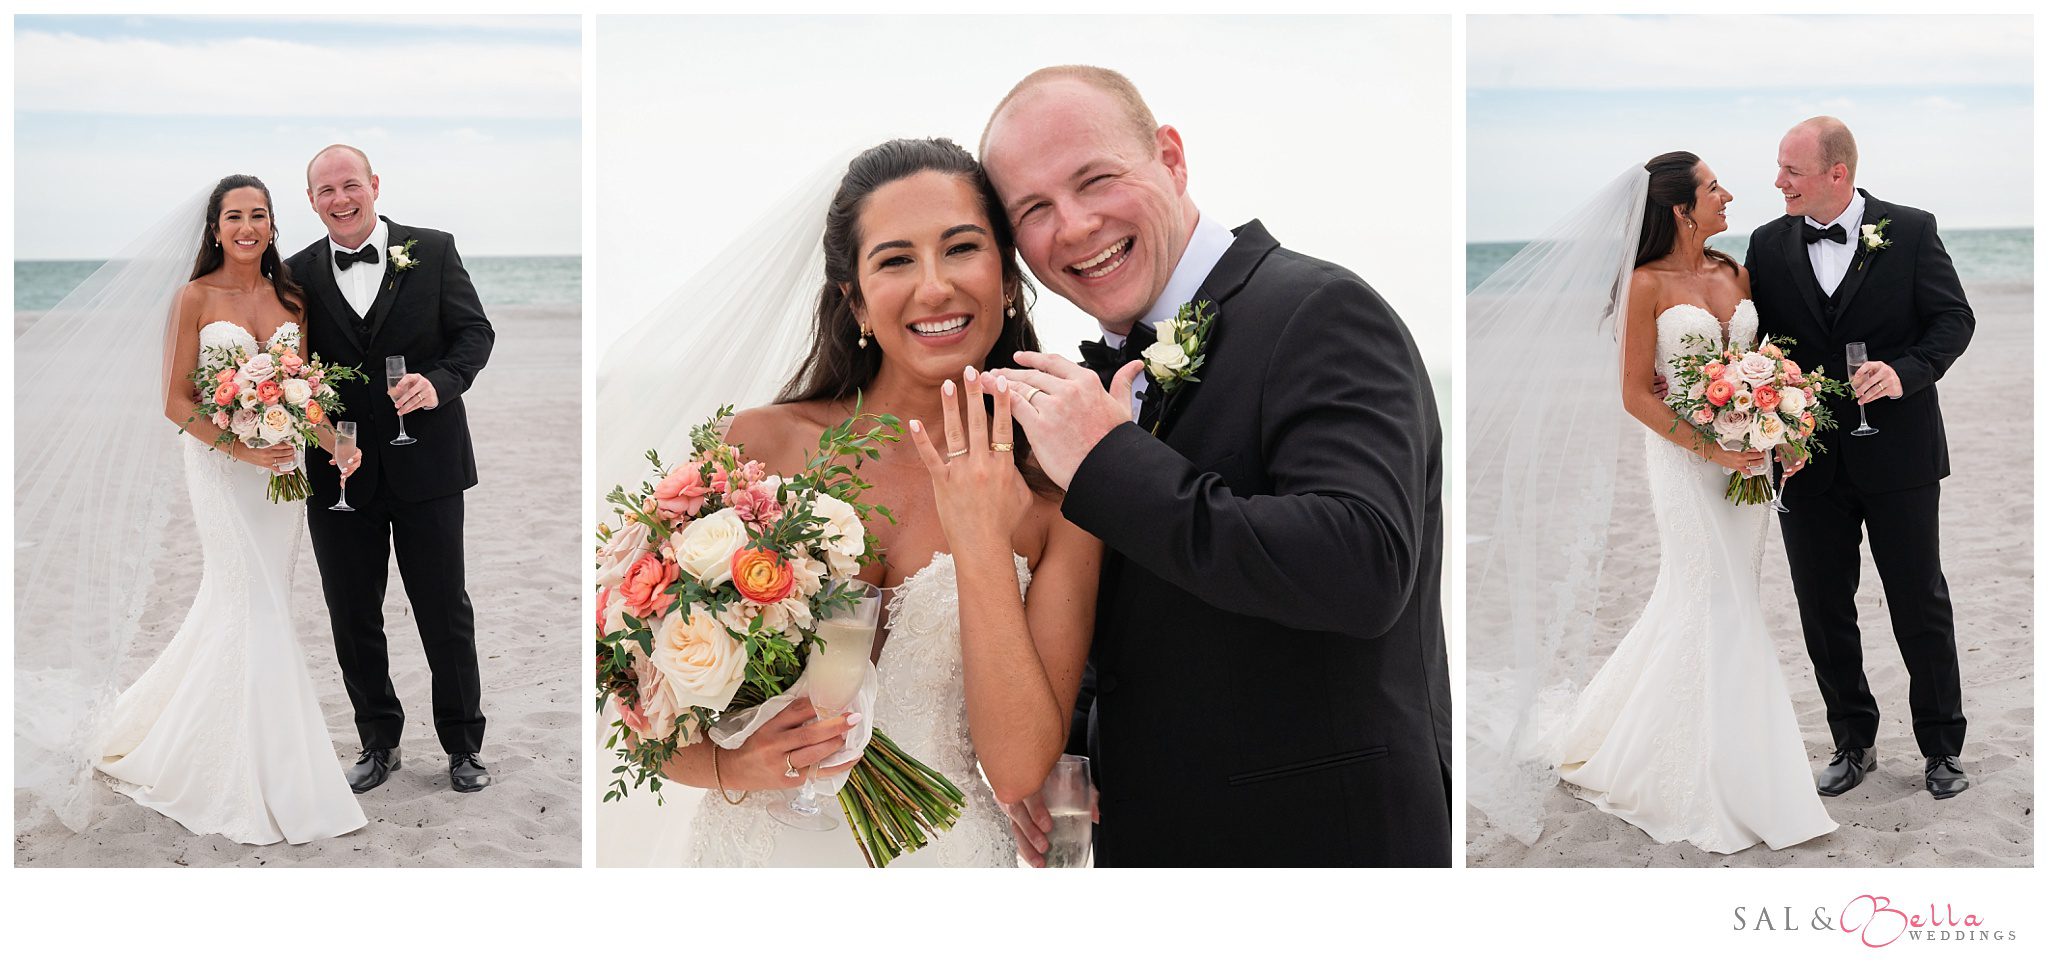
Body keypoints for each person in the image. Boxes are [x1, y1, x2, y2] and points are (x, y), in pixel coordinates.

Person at [979, 66, 1451, 866]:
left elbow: (1365, 564)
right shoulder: (1097, 384)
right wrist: (1074, 743)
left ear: (1171, 157)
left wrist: (1109, 461)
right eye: (1034, 210)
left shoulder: (1320, 309)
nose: (1075, 226)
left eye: (1095, 180)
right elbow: (1134, 608)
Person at [635, 139, 1100, 867]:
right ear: (855, 298)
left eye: (961, 248)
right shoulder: (756, 446)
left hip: (941, 861)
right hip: (753, 856)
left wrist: (981, 538)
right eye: (896, 260)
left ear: (1008, 278)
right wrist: (730, 764)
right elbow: (642, 707)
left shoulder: (1060, 493)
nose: (935, 287)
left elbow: (1016, 771)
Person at [89, 175, 368, 844]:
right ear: (215, 228)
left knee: (263, 600)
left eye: (259, 215)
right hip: (222, 467)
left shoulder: (292, 299)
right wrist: (241, 449)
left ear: (273, 225)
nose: (248, 227)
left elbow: (302, 394)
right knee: (249, 600)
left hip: (284, 470)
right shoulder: (193, 296)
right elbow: (175, 401)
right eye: (235, 216)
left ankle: (245, 746)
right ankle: (257, 766)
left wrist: (335, 444)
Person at [1749, 118, 1974, 800]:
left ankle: (1942, 749)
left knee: (1919, 600)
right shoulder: (1765, 243)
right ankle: (1853, 741)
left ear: (1836, 174)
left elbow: (1953, 320)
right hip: (1804, 457)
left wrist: (1906, 372)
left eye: (1791, 170)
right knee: (1822, 607)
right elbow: (1758, 342)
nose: (1778, 181)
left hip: (1900, 455)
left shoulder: (1910, 229)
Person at [287, 145, 497, 795]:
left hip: (428, 465)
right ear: (311, 201)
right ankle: (378, 742)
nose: (340, 199)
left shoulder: (433, 249)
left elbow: (475, 336)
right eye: (326, 191)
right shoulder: (294, 275)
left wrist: (439, 383)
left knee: (443, 609)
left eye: (350, 184)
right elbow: (291, 372)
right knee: (352, 614)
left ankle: (463, 746)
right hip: (338, 472)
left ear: (374, 185)